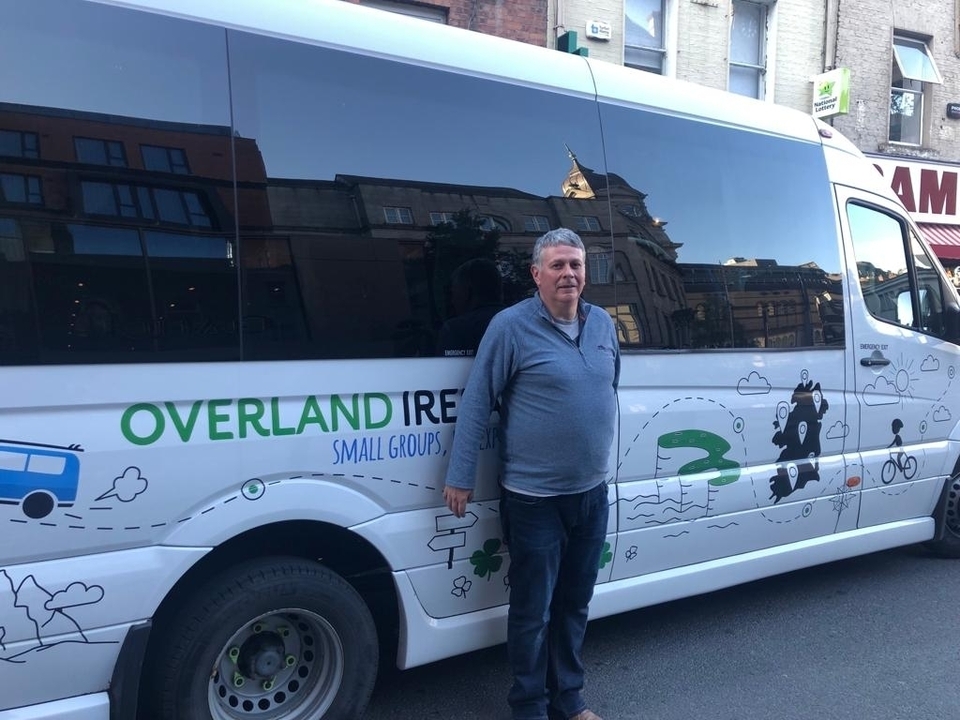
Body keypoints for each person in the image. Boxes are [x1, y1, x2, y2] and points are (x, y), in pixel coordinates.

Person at [442, 228, 620, 720]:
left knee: (575, 603)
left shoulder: (603, 323)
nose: (568, 273)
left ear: (586, 272)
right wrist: (460, 475)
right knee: (532, 612)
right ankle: (529, 709)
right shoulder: (511, 326)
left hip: (591, 494)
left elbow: (608, 391)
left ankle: (570, 701)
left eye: (576, 265)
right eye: (558, 265)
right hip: (533, 499)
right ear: (536, 274)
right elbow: (478, 401)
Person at [438, 257, 504, 357]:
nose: (452, 301)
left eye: (453, 293)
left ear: (467, 292)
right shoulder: (523, 322)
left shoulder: (455, 329)